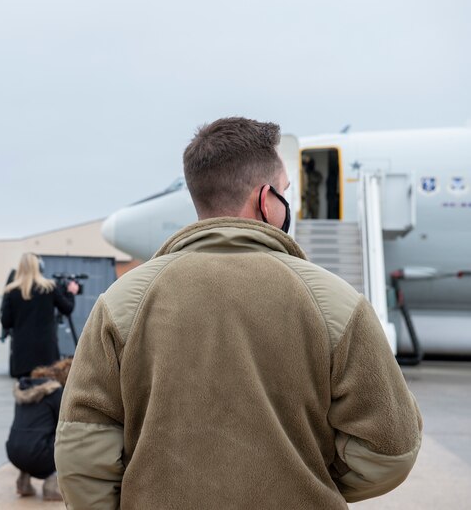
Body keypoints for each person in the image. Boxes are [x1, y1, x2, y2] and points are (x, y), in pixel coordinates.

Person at [55, 117, 423, 509]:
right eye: (285, 192)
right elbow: (390, 450)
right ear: (267, 200)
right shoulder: (336, 303)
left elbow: (81, 453)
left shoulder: (121, 302)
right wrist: (306, 478)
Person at [0, 253, 78, 379]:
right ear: (39, 267)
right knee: (47, 389)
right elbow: (67, 309)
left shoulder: (11, 290)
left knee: (25, 391)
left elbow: (5, 322)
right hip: (46, 349)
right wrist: (71, 293)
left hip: (22, 350)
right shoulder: (49, 288)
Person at [6, 358, 72, 502]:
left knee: (31, 437)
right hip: (39, 454)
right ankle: (52, 485)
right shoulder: (56, 393)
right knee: (70, 436)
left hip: (13, 451)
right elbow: (64, 426)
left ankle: (24, 480)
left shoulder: (25, 389)